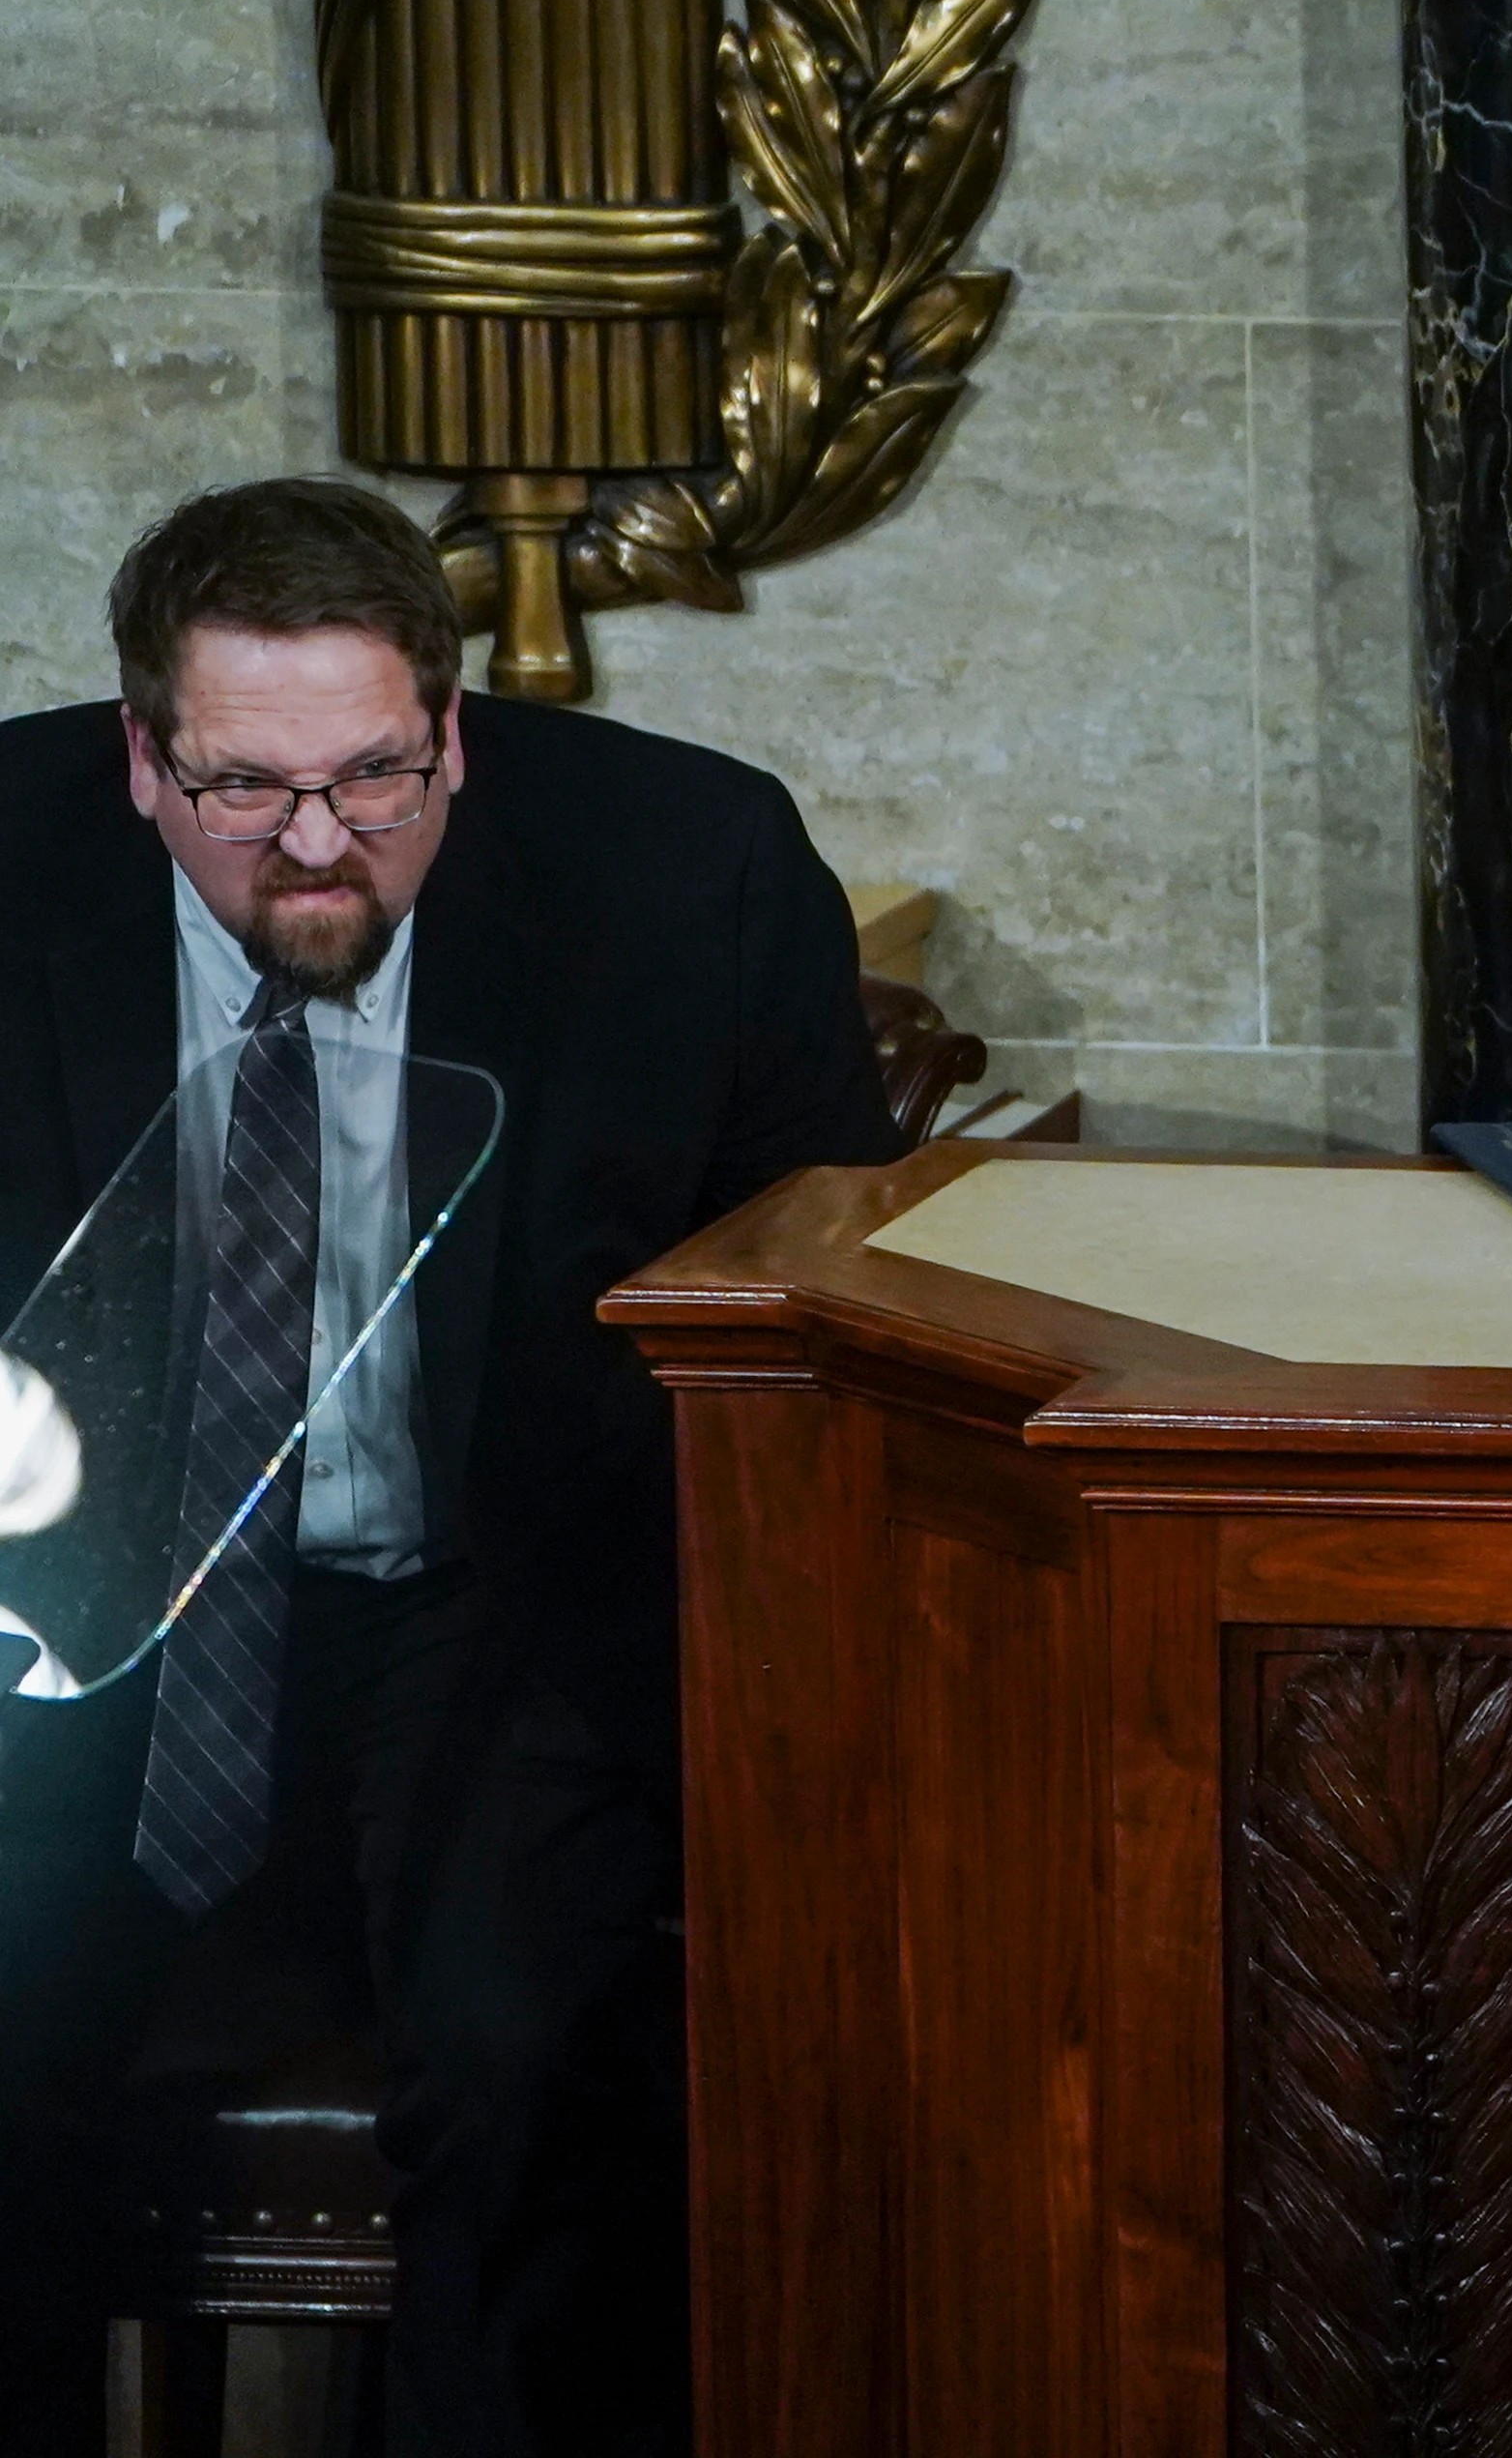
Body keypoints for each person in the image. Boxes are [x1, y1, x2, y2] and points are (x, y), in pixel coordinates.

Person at [0, 482, 904, 2453]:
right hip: (82, 1592)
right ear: (140, 754)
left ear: (452, 732)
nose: (319, 842)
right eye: (246, 789)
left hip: (494, 1587)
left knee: (525, 2051)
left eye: (378, 778)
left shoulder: (691, 865)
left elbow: (818, 1315)